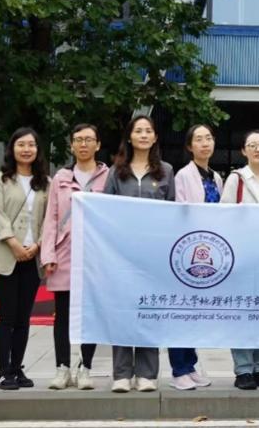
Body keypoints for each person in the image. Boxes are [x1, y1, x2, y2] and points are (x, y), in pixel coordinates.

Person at [102, 114, 176, 392]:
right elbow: (104, 210)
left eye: (148, 131)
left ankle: (147, 373)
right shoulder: (116, 171)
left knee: (149, 310)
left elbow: (172, 211)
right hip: (121, 255)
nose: (144, 135)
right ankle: (121, 373)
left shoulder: (166, 171)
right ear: (130, 137)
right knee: (122, 311)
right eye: (138, 131)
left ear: (155, 137)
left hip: (153, 255)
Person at [0, 127, 50, 390]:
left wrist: (38, 245)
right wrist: (14, 243)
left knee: (23, 318)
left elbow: (50, 219)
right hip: (5, 255)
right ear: (12, 149)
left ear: (38, 150)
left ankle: (17, 368)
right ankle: (3, 371)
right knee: (7, 316)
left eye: (31, 145)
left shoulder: (46, 182)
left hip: (33, 256)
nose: (26, 149)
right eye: (21, 144)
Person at [41, 123, 109, 390]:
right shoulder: (60, 178)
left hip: (95, 255)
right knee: (63, 315)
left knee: (89, 314)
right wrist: (48, 253)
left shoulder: (108, 177)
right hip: (65, 253)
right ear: (71, 145)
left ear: (98, 145)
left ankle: (85, 368)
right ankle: (62, 368)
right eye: (78, 140)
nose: (83, 144)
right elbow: (51, 217)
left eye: (89, 139)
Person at [220, 130, 259, 390]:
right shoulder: (237, 179)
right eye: (252, 145)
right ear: (244, 151)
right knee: (241, 311)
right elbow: (224, 216)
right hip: (242, 255)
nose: (258, 149)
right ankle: (244, 369)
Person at [167, 124, 223, 391]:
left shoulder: (216, 177)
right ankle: (178, 369)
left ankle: (190, 365)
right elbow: (180, 212)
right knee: (181, 311)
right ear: (190, 146)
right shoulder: (183, 175)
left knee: (194, 312)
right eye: (199, 139)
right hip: (188, 249)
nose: (205, 143)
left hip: (209, 249)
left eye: (208, 138)